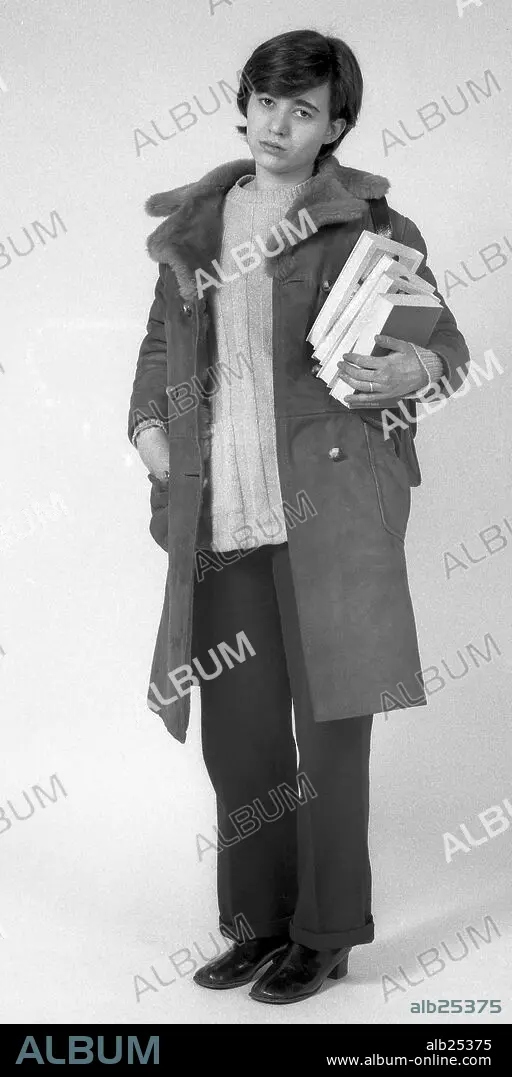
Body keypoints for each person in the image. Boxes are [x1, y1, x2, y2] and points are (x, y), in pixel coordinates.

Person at [127, 28, 470, 1005]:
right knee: (238, 741)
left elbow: (439, 340)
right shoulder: (195, 227)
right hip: (219, 513)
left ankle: (324, 934)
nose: (279, 124)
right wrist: (148, 428)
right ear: (245, 105)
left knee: (330, 739)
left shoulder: (370, 223)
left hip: (332, 514)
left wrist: (414, 366)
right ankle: (258, 923)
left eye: (304, 109)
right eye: (266, 102)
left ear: (335, 126)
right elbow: (159, 348)